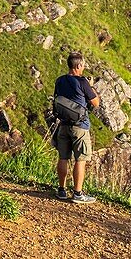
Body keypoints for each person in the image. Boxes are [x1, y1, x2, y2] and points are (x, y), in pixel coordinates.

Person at [53, 52, 101, 204]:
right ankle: (77, 193)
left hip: (63, 125)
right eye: (83, 65)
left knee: (63, 157)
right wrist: (91, 87)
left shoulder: (59, 80)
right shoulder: (82, 82)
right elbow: (95, 103)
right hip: (80, 126)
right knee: (81, 159)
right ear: (79, 65)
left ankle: (61, 190)